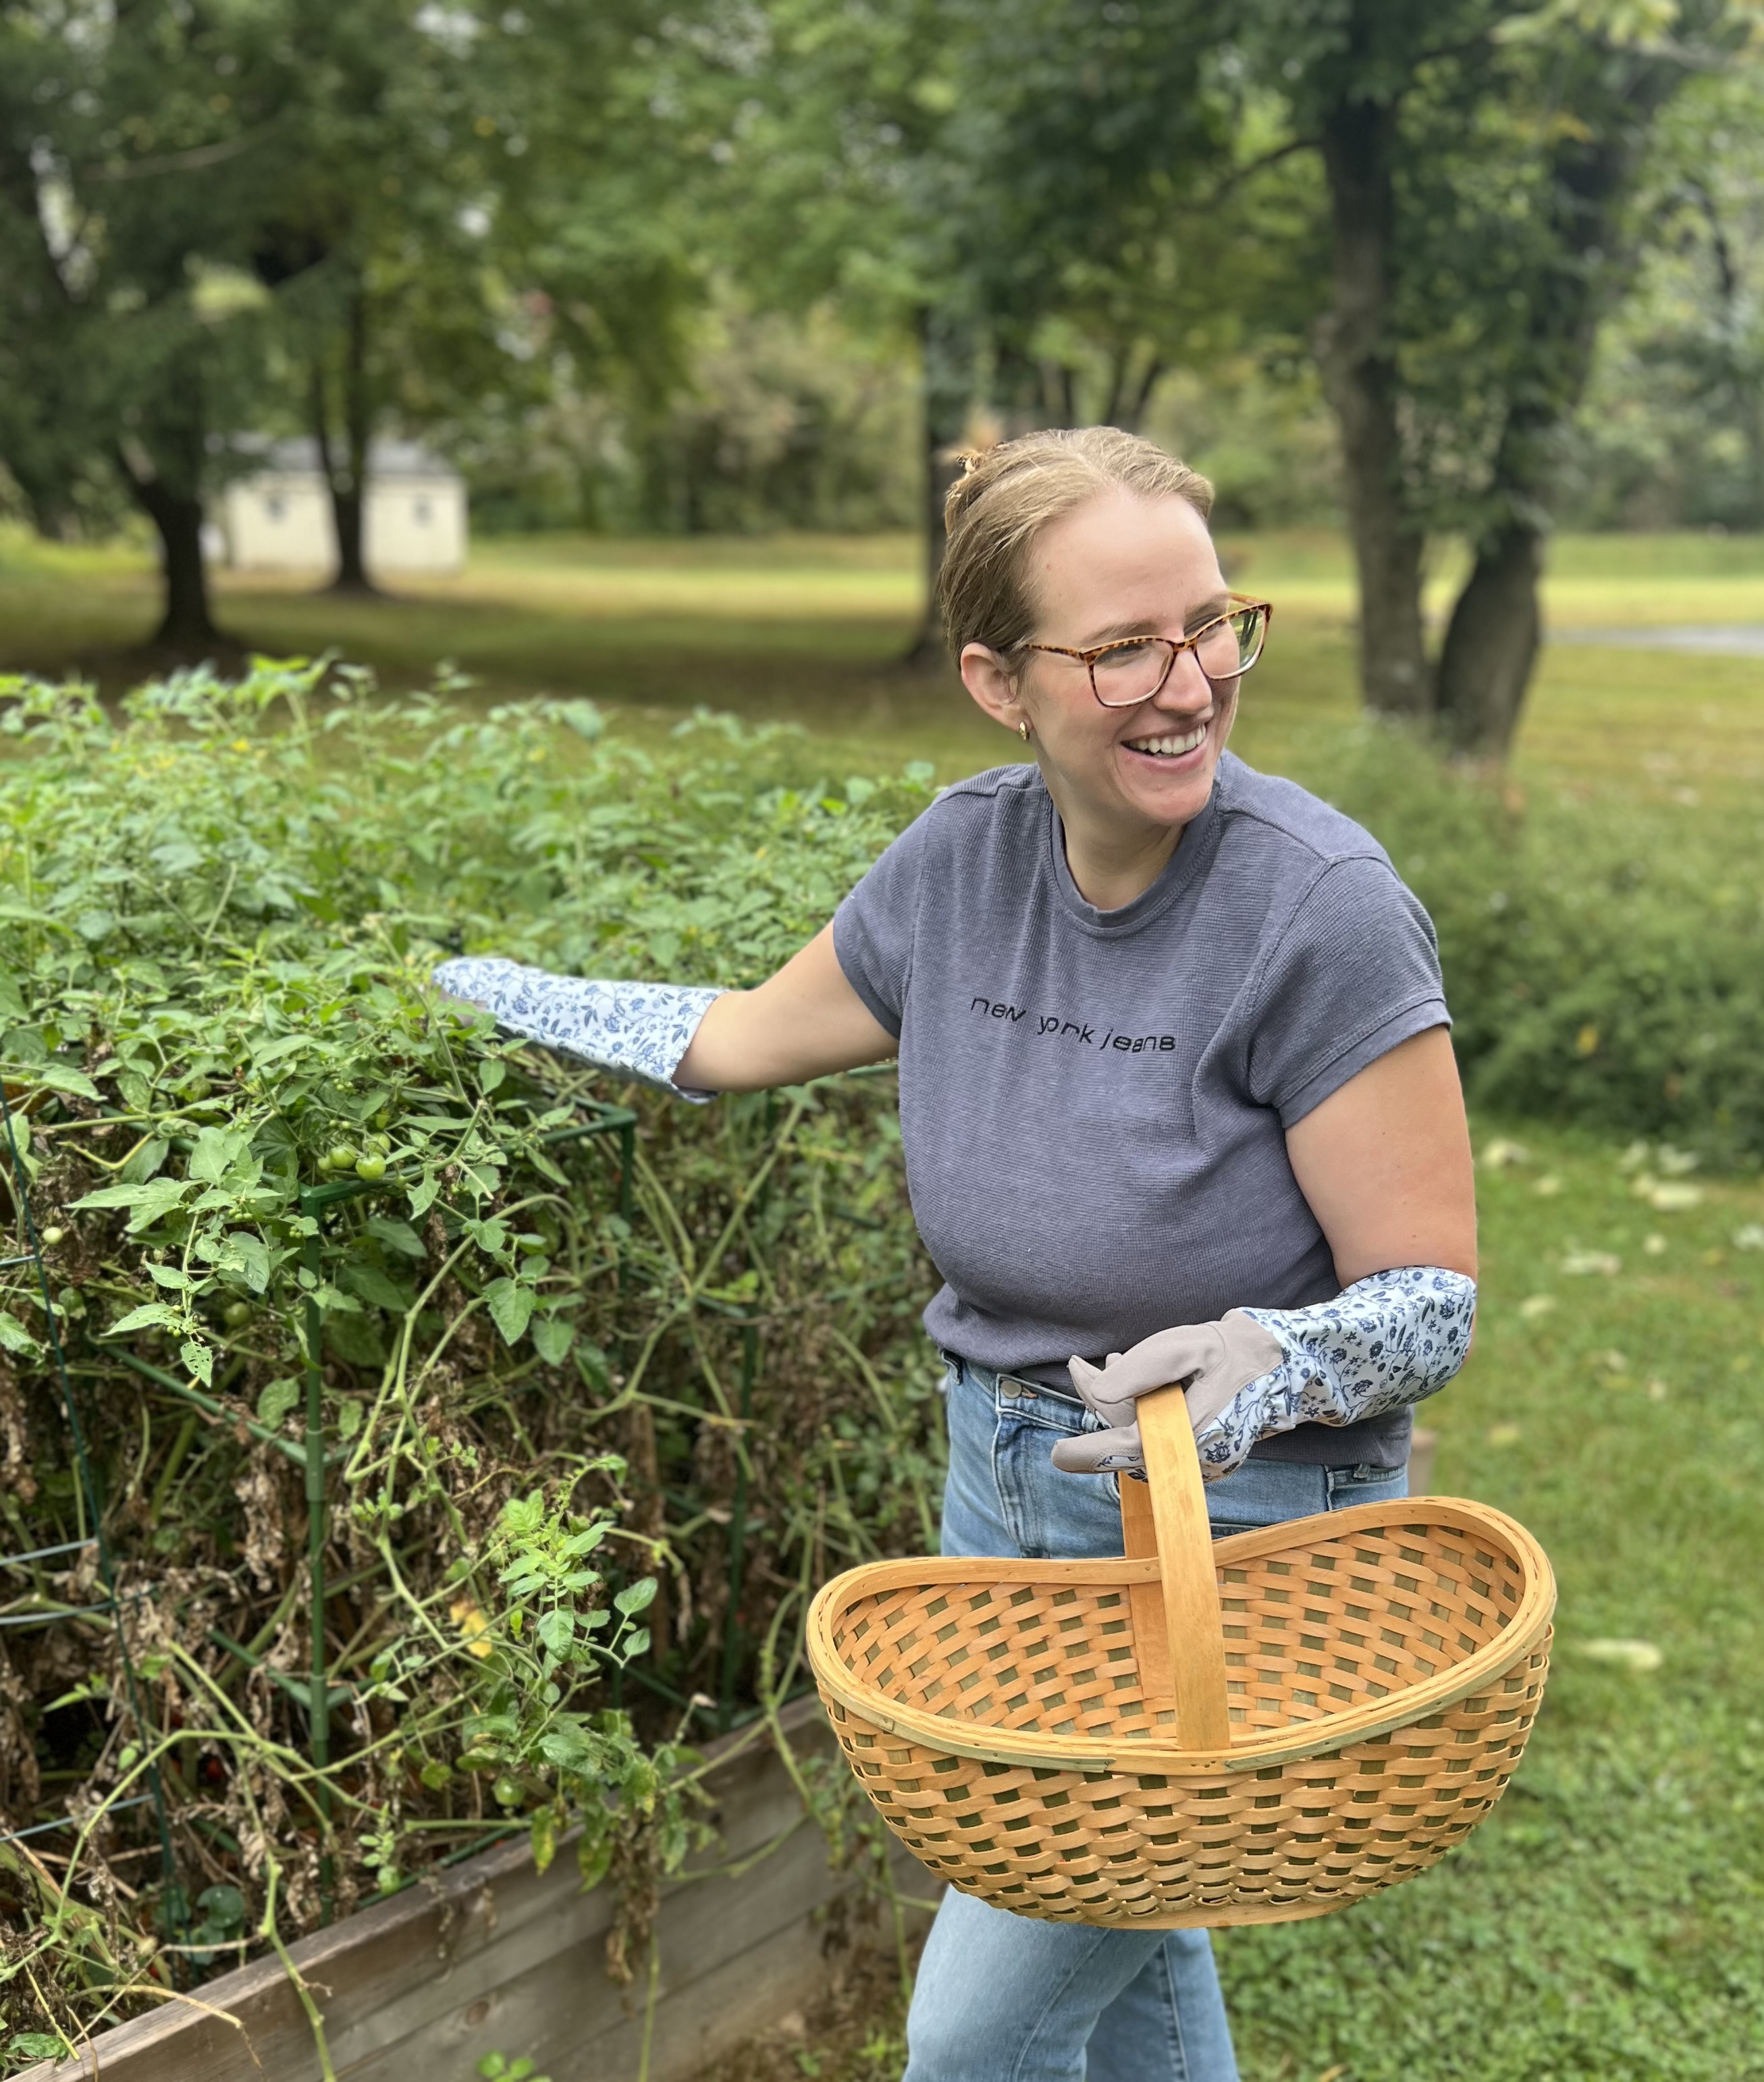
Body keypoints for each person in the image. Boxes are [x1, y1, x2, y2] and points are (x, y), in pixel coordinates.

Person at [433, 426, 1478, 2082]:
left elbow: (1429, 1299)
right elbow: (736, 1035)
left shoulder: (1315, 909)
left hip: (1227, 1537)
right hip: (998, 1493)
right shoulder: (962, 864)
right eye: (1122, 646)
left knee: (974, 2035)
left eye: (1210, 625)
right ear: (999, 681)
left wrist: (1270, 1358)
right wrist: (494, 995)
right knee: (1133, 1950)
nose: (1188, 683)